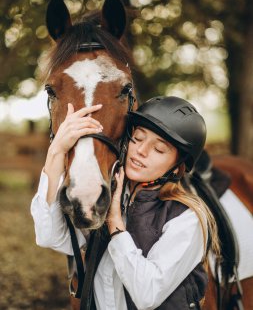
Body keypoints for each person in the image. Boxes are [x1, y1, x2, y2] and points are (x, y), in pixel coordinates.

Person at [31, 96, 219, 310]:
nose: (141, 151)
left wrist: (115, 223)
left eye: (159, 149)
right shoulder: (104, 196)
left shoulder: (187, 218)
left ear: (177, 167)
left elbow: (147, 294)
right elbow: (49, 236)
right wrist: (56, 152)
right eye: (137, 138)